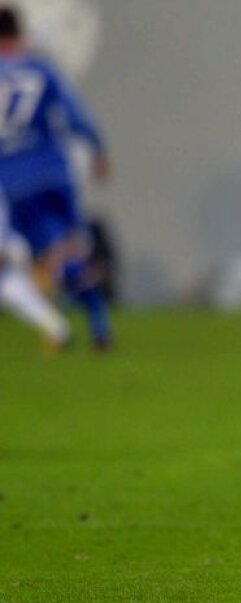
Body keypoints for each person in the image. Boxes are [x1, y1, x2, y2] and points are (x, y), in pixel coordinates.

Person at [0, 4, 111, 350]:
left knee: (50, 254)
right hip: (55, 171)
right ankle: (99, 325)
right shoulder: (42, 70)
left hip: (15, 180)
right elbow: (75, 114)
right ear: (20, 34)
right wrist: (97, 149)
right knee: (70, 245)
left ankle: (62, 322)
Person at [0, 188, 71, 350]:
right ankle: (58, 330)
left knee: (19, 295)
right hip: (12, 250)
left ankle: (58, 330)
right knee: (20, 295)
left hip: (8, 252)